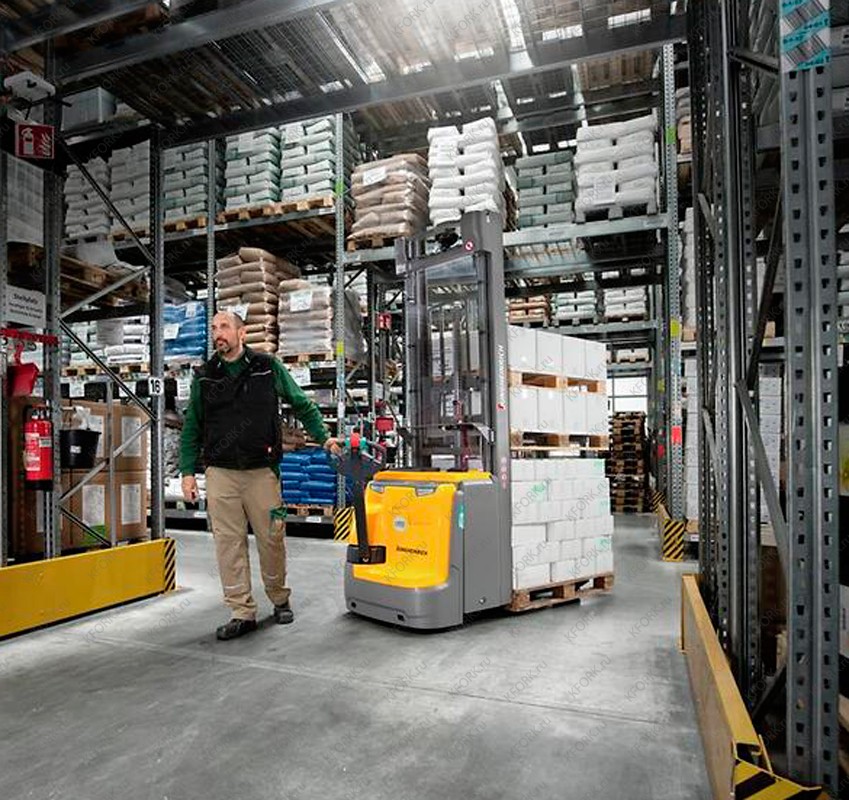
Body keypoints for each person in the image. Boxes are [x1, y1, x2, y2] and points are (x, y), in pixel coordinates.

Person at [181, 310, 341, 640]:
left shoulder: (267, 367)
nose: (218, 333)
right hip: (220, 471)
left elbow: (302, 404)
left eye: (225, 327)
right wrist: (187, 472)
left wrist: (324, 437)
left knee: (272, 537)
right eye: (214, 328)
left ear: (242, 333)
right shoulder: (205, 376)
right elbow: (192, 426)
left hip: (262, 472)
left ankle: (279, 598)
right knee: (228, 544)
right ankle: (241, 611)